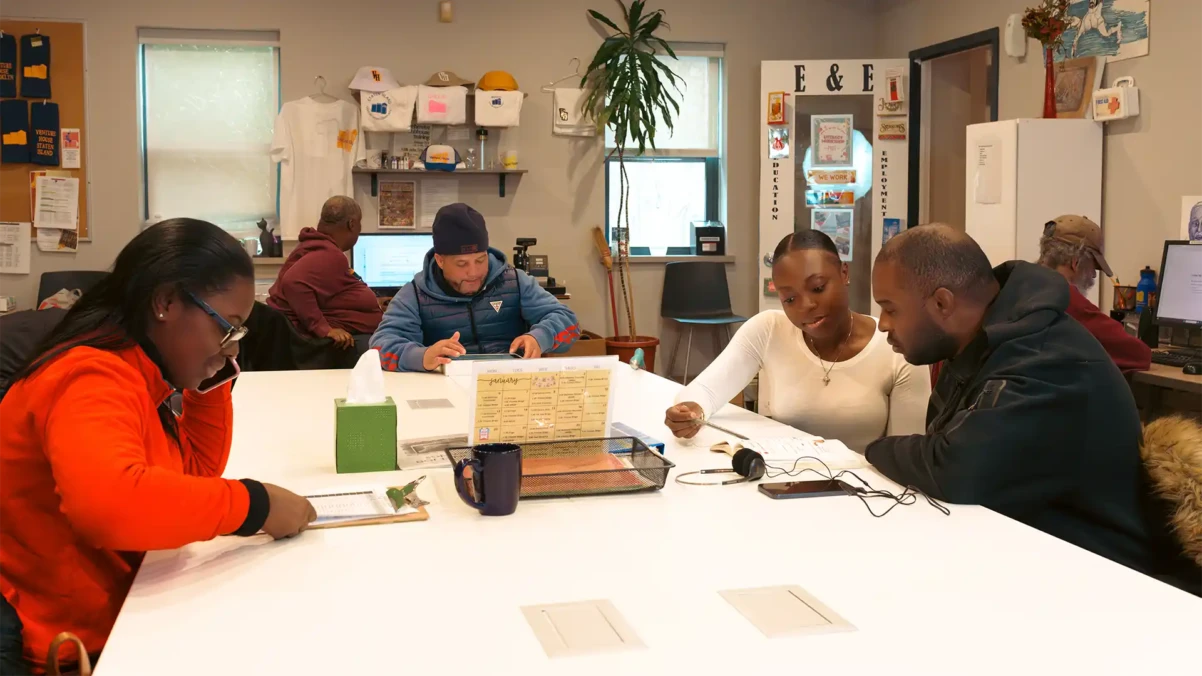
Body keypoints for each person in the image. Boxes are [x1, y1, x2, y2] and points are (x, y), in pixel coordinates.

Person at [0, 219, 316, 673]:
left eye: (238, 335)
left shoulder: (138, 371)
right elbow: (111, 504)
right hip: (69, 649)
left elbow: (191, 479)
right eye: (228, 328)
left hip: (123, 616)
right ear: (166, 302)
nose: (232, 349)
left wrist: (212, 377)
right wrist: (254, 505)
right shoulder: (91, 375)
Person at [868, 224, 1180, 581]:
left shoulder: (1046, 360)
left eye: (890, 309)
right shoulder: (979, 346)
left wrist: (873, 450)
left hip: (1105, 578)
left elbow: (957, 471)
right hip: (1037, 556)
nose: (883, 324)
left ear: (942, 303)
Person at [664, 230, 930, 453]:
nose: (807, 306)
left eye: (817, 288)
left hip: (866, 497)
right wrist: (689, 413)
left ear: (844, 273)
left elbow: (908, 453)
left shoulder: (896, 346)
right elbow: (705, 392)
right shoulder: (768, 329)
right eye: (790, 299)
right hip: (782, 487)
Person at [371, 203, 580, 371]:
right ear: (440, 261)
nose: (473, 273)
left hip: (513, 383)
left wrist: (539, 337)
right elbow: (381, 345)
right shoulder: (416, 294)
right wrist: (422, 356)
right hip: (444, 387)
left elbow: (568, 322)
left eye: (480, 260)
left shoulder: (514, 281)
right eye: (462, 264)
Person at [267, 196, 382, 354]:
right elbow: (293, 282)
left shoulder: (316, 246)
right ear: (352, 224)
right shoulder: (329, 254)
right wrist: (323, 328)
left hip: (290, 335)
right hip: (307, 343)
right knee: (383, 350)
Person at [1037, 215, 1150, 372]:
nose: (1094, 276)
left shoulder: (1016, 284)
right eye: (1093, 267)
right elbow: (1139, 355)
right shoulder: (1066, 300)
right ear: (1075, 263)